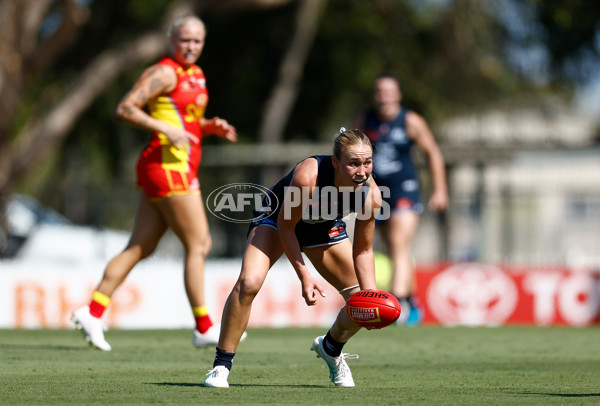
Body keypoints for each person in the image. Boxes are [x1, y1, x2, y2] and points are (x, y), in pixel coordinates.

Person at [71, 15, 241, 351]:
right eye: (184, 40)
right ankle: (204, 326)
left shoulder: (196, 75)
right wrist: (165, 130)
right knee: (200, 244)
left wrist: (209, 127)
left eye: (197, 41)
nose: (190, 46)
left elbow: (184, 120)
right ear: (171, 39)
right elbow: (125, 108)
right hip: (167, 167)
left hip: (173, 166)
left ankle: (92, 311)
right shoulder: (163, 72)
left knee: (141, 246)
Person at [203, 128, 383, 388]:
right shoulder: (308, 177)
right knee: (249, 283)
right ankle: (221, 367)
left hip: (322, 227)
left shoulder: (370, 195)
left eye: (367, 163)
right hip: (277, 220)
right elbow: (287, 228)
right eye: (353, 163)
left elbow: (363, 250)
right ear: (335, 162)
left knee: (358, 302)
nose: (362, 171)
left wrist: (370, 297)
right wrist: (304, 276)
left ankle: (331, 348)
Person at [355, 73, 448, 326]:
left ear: (398, 95)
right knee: (393, 248)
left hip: (405, 188)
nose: (384, 96)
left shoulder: (410, 120)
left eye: (389, 91)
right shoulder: (365, 120)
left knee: (398, 242)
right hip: (377, 191)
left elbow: (433, 153)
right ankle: (412, 301)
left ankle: (397, 305)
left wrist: (440, 190)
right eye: (379, 91)